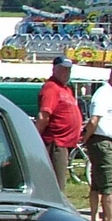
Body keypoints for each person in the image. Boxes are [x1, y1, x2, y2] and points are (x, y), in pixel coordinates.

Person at [82, 65, 112, 221]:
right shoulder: (103, 94)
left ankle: (96, 218)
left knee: (98, 182)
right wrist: (86, 138)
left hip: (107, 141)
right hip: (102, 141)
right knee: (109, 183)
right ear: (111, 75)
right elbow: (94, 120)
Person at [35, 55, 83, 191]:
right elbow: (44, 115)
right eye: (62, 69)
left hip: (65, 144)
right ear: (54, 69)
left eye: (68, 70)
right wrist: (35, 138)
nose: (65, 73)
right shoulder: (51, 88)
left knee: (58, 183)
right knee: (56, 185)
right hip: (56, 143)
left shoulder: (66, 89)